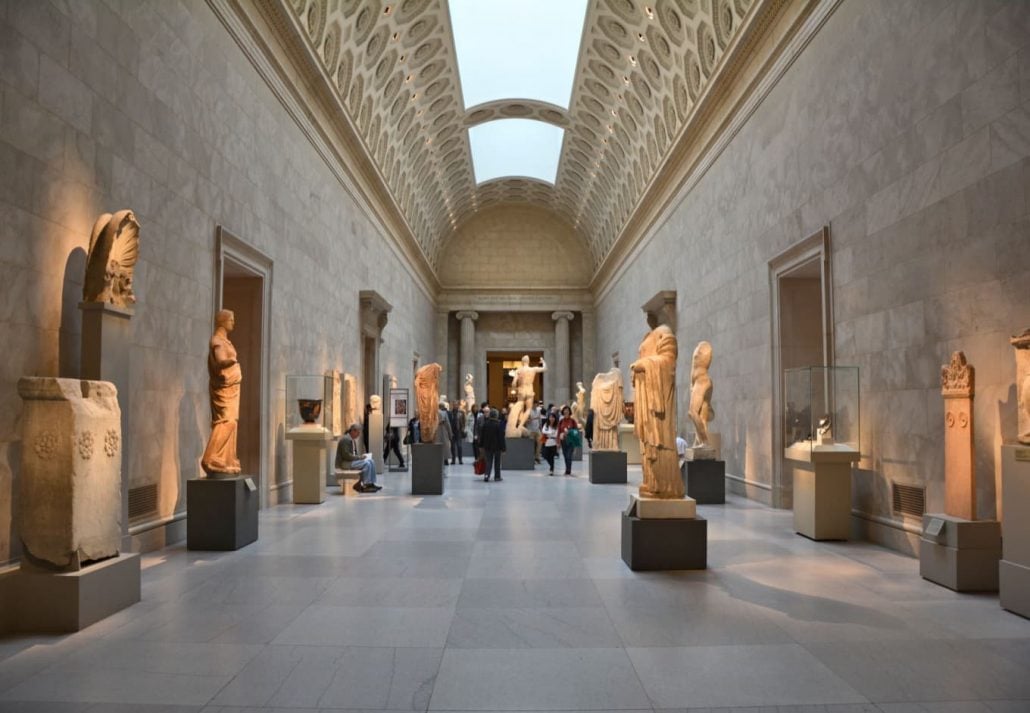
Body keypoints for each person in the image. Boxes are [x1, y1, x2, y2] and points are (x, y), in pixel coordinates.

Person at [336, 423, 380, 492]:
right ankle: (366, 484)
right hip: (345, 463)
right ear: (353, 431)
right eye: (358, 433)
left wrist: (361, 457)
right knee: (367, 464)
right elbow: (346, 456)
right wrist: (359, 458)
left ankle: (371, 483)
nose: (359, 435)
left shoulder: (352, 440)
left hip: (351, 461)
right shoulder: (345, 440)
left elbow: (353, 454)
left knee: (371, 461)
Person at [479, 408, 506, 482]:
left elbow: (482, 436)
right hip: (497, 447)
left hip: (487, 446)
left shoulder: (485, 424)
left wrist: (481, 445)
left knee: (488, 461)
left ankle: (486, 475)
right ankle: (497, 476)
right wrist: (503, 449)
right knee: (497, 462)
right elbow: (501, 438)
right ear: (496, 416)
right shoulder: (498, 425)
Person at [556, 405, 579, 476]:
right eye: (565, 410)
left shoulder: (572, 421)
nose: (566, 411)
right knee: (565, 456)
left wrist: (570, 432)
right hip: (563, 441)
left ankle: (568, 470)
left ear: (569, 412)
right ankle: (567, 469)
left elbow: (576, 432)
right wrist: (558, 442)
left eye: (567, 410)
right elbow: (558, 432)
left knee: (569, 456)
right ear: (563, 412)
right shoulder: (561, 421)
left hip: (571, 441)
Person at [541, 411, 559, 476]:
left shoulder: (557, 425)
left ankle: (552, 469)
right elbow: (543, 431)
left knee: (551, 457)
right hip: (546, 442)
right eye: (550, 417)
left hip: (553, 443)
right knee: (545, 455)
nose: (551, 419)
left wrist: (549, 433)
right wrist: (550, 433)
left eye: (553, 417)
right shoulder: (546, 424)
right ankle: (551, 466)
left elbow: (556, 434)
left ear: (555, 418)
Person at [449, 400, 465, 465]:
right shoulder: (450, 413)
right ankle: (453, 460)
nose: (455, 406)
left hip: (458, 431)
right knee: (452, 447)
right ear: (452, 405)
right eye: (454, 405)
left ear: (458, 405)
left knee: (459, 446)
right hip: (452, 431)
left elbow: (463, 421)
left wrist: (463, 429)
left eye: (456, 405)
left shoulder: (461, 413)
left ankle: (460, 459)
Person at [436, 401, 453, 466]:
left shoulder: (435, 413)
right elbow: (448, 424)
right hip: (443, 431)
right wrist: (450, 433)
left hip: (436, 432)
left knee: (437, 446)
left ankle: (438, 459)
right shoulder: (444, 413)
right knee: (445, 446)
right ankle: (445, 460)